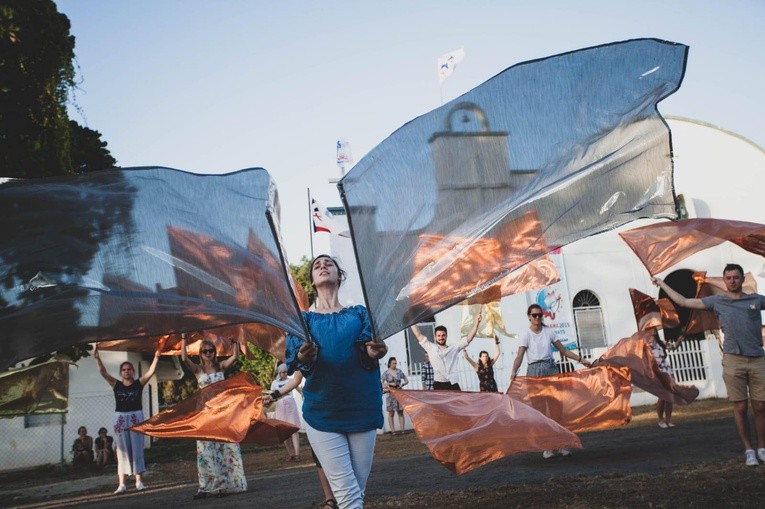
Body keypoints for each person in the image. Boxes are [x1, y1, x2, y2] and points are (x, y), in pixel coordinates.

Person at [285, 254, 387, 509]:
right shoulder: (303, 321)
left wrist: (374, 352)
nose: (322, 266)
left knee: (355, 493)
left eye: (328, 263)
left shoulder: (360, 314)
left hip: (362, 408)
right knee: (348, 495)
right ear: (311, 280)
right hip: (323, 414)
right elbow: (297, 363)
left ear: (339, 275)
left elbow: (370, 352)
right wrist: (303, 355)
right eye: (317, 265)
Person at [653, 263, 765, 466]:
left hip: (758, 358)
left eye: (736, 277)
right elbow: (684, 301)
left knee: (760, 406)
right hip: (733, 359)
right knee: (740, 406)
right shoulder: (717, 301)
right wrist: (662, 283)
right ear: (724, 281)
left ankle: (762, 448)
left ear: (742, 279)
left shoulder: (756, 299)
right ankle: (749, 450)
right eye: (729, 278)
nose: (732, 281)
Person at [511, 304, 591, 459]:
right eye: (534, 315)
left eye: (540, 315)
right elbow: (520, 355)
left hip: (550, 368)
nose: (537, 318)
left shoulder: (549, 332)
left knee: (556, 409)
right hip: (534, 371)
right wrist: (514, 372)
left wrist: (581, 359)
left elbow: (564, 351)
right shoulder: (526, 335)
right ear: (528, 316)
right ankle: (547, 447)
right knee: (540, 411)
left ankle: (561, 445)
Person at [181, 335, 247, 498]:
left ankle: (225, 486)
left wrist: (235, 343)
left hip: (222, 413)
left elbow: (235, 356)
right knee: (206, 451)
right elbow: (184, 359)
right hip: (205, 414)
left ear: (215, 352)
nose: (208, 353)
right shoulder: (198, 370)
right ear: (201, 354)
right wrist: (183, 339)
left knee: (225, 448)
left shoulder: (221, 367)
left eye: (211, 350)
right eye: (205, 351)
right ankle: (206, 486)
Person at [94, 343, 160, 494]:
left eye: (129, 369)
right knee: (121, 450)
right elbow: (103, 372)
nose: (126, 371)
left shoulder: (139, 384)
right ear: (121, 372)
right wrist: (97, 358)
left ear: (133, 371)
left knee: (137, 449)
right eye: (124, 370)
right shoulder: (116, 385)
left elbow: (151, 371)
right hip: (120, 418)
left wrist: (156, 356)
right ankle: (122, 484)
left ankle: (139, 482)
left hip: (136, 416)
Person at [409, 312, 482, 391]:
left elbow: (469, 339)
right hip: (439, 384)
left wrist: (477, 323)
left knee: (460, 402)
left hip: (453, 383)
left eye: (443, 335)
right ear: (435, 337)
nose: (441, 337)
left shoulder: (453, 348)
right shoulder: (431, 348)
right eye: (439, 336)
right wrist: (410, 319)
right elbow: (418, 335)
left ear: (446, 336)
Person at [646, 326, 682, 428]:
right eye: (650, 329)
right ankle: (660, 420)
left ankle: (668, 420)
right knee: (662, 396)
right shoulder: (646, 345)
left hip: (667, 370)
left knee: (670, 396)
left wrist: (679, 340)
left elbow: (673, 347)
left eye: (654, 329)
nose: (653, 331)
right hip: (657, 372)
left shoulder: (661, 343)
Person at [270, 363, 304, 462]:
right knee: (284, 431)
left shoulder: (291, 381)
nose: (285, 373)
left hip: (290, 405)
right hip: (280, 406)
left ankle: (297, 454)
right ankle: (291, 453)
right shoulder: (275, 383)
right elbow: (272, 395)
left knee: (294, 429)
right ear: (280, 373)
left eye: (286, 371)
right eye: (283, 372)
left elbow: (299, 390)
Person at [381, 357, 409, 434]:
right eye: (393, 363)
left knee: (400, 412)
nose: (395, 365)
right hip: (390, 394)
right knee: (391, 412)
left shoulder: (399, 371)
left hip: (399, 393)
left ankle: (403, 430)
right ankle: (393, 431)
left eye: (395, 363)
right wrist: (389, 384)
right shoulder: (386, 373)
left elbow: (406, 380)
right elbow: (381, 383)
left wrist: (402, 384)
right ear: (389, 364)